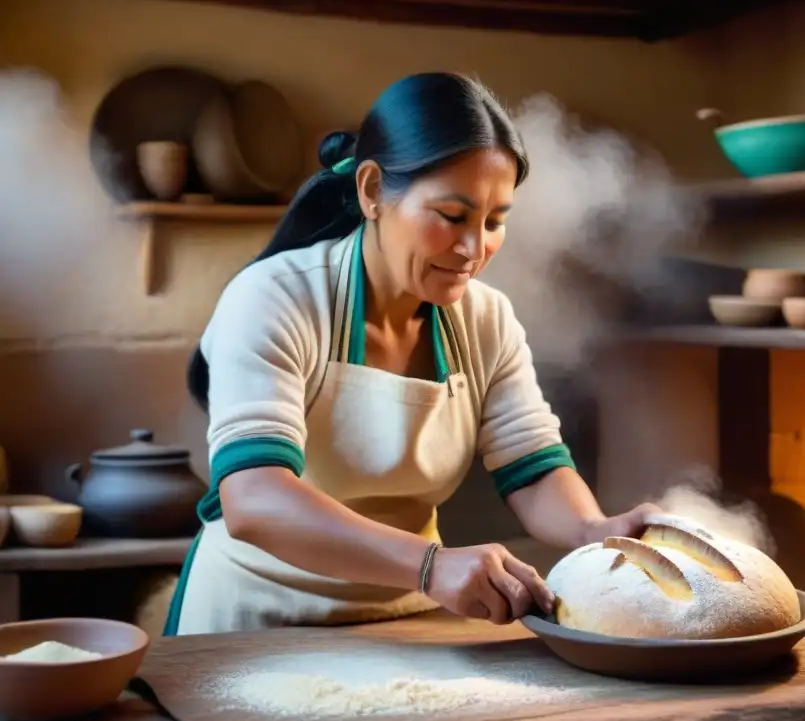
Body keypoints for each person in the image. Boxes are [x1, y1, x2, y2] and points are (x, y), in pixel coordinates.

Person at [164, 72, 658, 636]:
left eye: (495, 221)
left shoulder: (485, 318)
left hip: (406, 618)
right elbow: (253, 498)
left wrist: (593, 530)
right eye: (451, 216)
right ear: (372, 190)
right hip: (254, 620)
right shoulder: (275, 298)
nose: (474, 249)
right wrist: (430, 566)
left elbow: (533, 465)